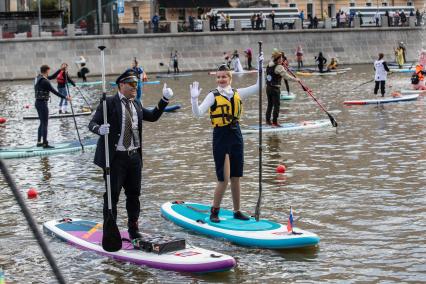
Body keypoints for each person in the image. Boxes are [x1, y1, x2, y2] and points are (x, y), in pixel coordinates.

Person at [88, 70, 173, 240]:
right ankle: (110, 229)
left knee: (134, 195)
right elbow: (92, 123)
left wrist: (164, 100)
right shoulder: (109, 103)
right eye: (132, 84)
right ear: (121, 85)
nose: (135, 87)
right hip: (115, 159)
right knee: (112, 196)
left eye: (137, 84)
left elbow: (154, 116)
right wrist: (99, 130)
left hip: (134, 157)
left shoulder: (136, 104)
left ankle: (133, 228)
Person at [189, 53, 263, 223]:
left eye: (224, 77)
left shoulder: (238, 93)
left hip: (236, 134)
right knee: (224, 177)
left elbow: (260, 86)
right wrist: (194, 99)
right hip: (221, 135)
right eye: (219, 77)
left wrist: (260, 67)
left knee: (236, 176)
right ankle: (214, 211)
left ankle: (237, 211)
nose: (221, 79)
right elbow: (198, 113)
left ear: (230, 78)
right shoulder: (212, 95)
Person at [34, 65, 71, 148]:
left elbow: (52, 77)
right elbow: (54, 92)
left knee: (41, 123)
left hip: (37, 103)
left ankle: (39, 142)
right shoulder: (45, 81)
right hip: (43, 104)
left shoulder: (38, 78)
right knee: (45, 124)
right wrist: (66, 97)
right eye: (48, 71)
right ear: (47, 71)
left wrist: (60, 70)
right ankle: (45, 143)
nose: (49, 73)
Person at [265, 49, 300, 127]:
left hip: (268, 88)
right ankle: (274, 122)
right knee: (277, 106)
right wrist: (296, 80)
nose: (282, 60)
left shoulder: (269, 65)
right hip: (275, 89)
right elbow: (286, 76)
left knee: (270, 105)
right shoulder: (279, 67)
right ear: (277, 59)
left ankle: (268, 121)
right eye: (280, 58)